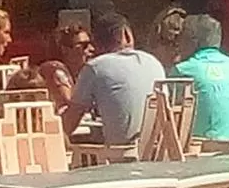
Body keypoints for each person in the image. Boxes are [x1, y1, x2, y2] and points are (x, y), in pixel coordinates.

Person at [64, 13, 167, 145]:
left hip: (121, 153)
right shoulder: (153, 62)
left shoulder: (96, 67)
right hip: (158, 150)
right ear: (128, 35)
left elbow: (69, 123)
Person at [172, 15, 229, 142]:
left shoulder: (183, 70)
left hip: (200, 147)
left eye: (180, 38)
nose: (177, 44)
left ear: (192, 41)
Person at [41, 22, 94, 110]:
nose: (92, 49)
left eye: (91, 44)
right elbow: (71, 107)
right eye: (84, 45)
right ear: (65, 49)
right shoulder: (55, 71)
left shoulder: (84, 74)